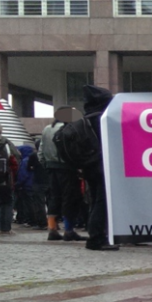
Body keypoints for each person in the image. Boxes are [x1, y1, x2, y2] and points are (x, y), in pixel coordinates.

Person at [75, 85, 119, 251]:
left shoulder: (87, 118)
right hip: (102, 166)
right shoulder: (102, 118)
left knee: (95, 201)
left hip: (90, 166)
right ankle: (96, 239)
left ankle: (96, 235)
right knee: (101, 202)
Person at [40, 110, 87, 242]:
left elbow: (41, 151)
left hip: (51, 167)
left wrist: (46, 165)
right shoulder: (69, 129)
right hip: (67, 168)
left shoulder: (47, 129)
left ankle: (52, 229)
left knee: (53, 198)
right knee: (69, 198)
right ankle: (68, 230)